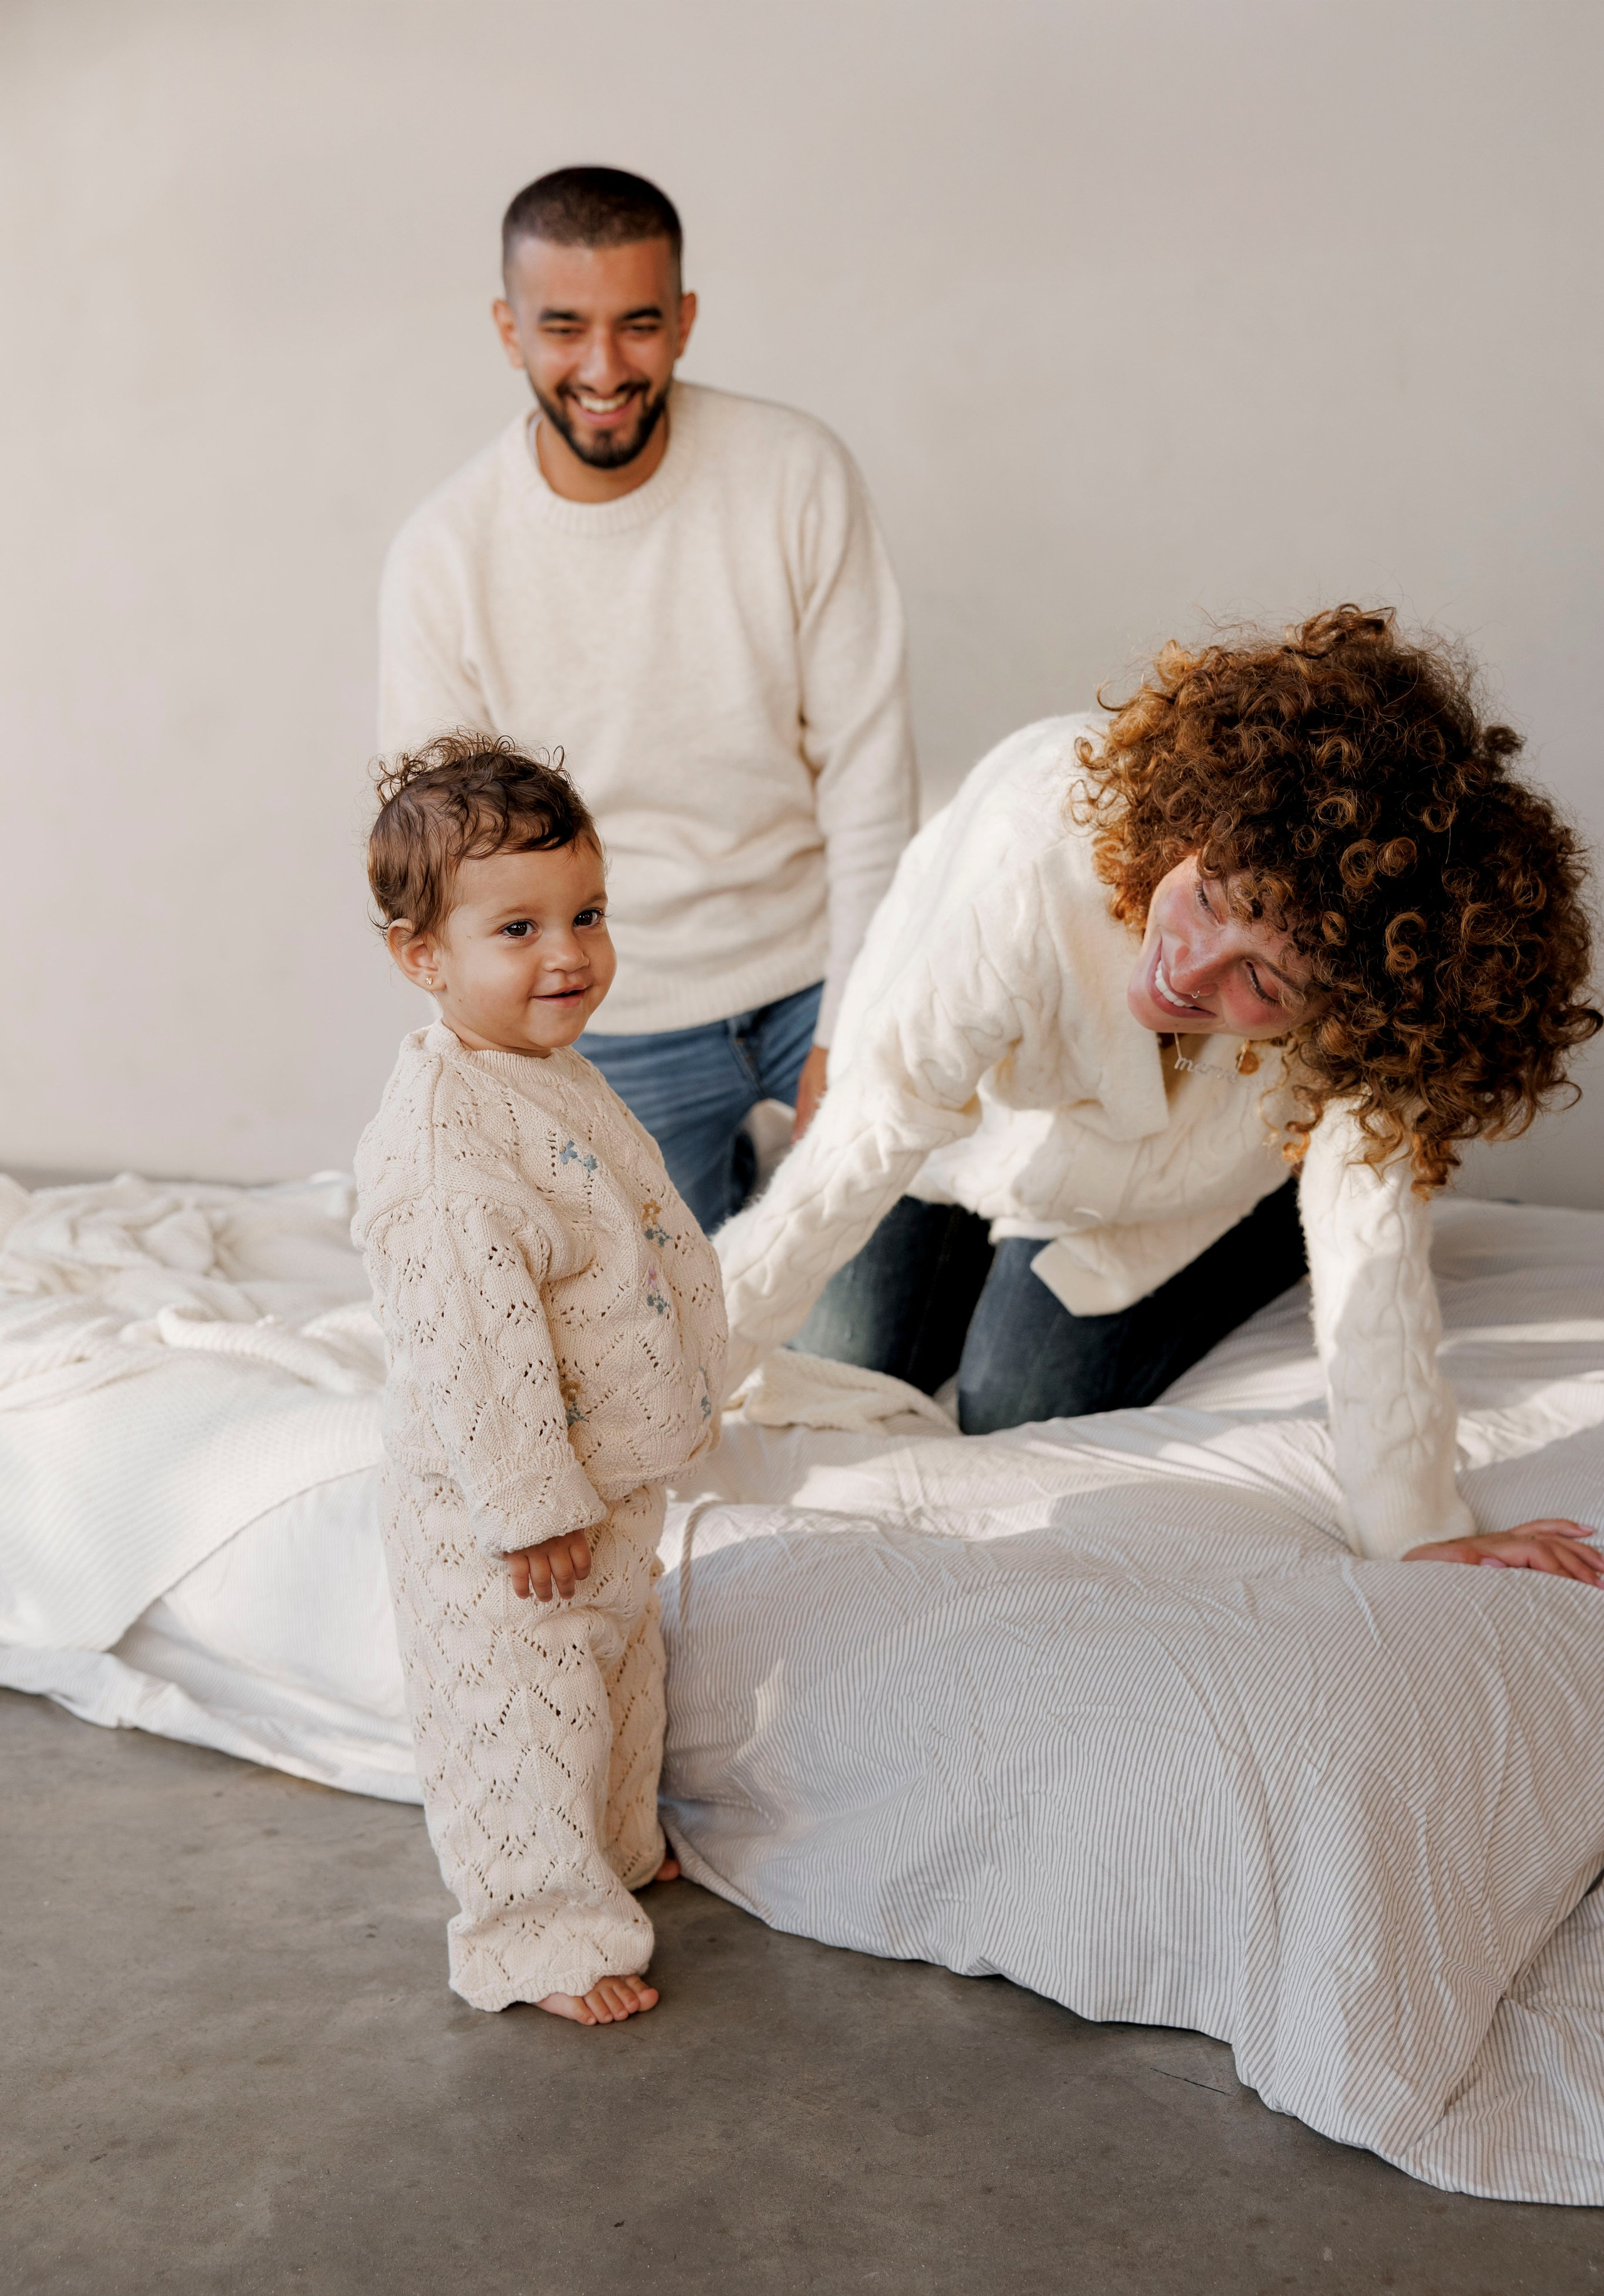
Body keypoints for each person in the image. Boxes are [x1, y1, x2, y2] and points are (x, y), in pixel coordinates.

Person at [720, 605, 1604, 1581]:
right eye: (1214, 900)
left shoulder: (1367, 1008)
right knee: (833, 1361)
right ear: (1202, 825)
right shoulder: (1033, 857)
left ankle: (1270, 1217)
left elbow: (1370, 1236)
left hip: (1160, 1192)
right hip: (953, 1142)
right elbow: (876, 1126)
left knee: (1013, 1403)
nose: (1189, 972)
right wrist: (671, 1384)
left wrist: (1411, 1519)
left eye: (1262, 985)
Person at [378, 164, 919, 1231]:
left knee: (863, 1353)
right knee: (684, 1338)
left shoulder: (793, 473)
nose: (603, 367)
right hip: (607, 1010)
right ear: (509, 329)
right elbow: (441, 862)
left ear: (684, 321)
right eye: (564, 327)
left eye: (637, 325)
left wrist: (851, 1026)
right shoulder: (444, 555)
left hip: (818, 968)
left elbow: (870, 772)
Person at [354, 733, 727, 2023]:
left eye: (587, 915)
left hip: (606, 1482)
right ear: (424, 958)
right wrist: (528, 1503)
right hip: (511, 1517)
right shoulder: (447, 1142)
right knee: (523, 1718)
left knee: (618, 1679)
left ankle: (615, 1852)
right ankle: (537, 1936)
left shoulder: (544, 1071)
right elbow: (473, 1338)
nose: (566, 953)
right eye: (517, 928)